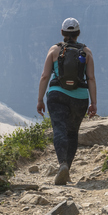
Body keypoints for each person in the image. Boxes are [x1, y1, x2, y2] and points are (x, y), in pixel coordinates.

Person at [36, 17, 97, 185]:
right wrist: (93, 103)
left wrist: (40, 99)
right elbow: (90, 78)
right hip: (80, 98)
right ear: (78, 33)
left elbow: (45, 76)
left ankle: (62, 163)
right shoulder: (87, 52)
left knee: (59, 130)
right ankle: (67, 169)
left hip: (57, 95)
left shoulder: (54, 50)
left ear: (62, 33)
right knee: (72, 133)